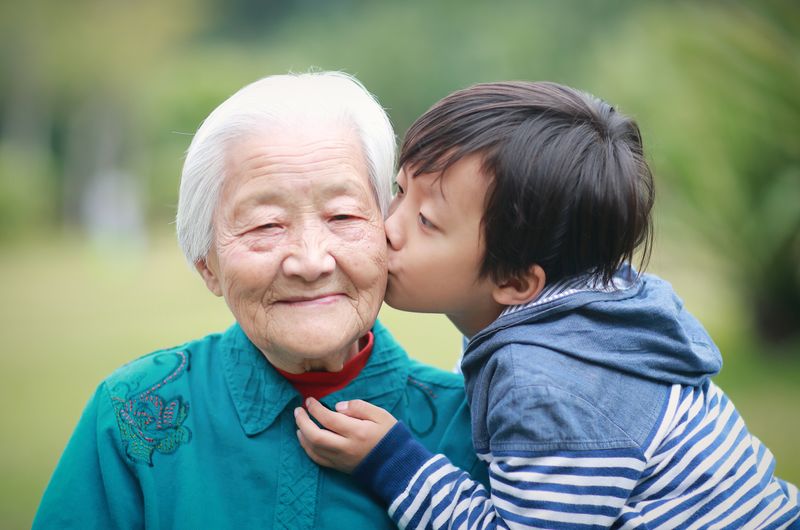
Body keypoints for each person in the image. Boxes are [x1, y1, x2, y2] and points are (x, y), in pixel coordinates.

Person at [295, 81, 800, 529]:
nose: (388, 226)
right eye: (399, 191)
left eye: (426, 220)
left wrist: (393, 463)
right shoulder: (591, 309)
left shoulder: (546, 384)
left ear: (516, 281)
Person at [32, 72, 488, 530]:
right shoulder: (133, 412)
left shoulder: (478, 426)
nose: (311, 262)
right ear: (206, 264)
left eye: (343, 215)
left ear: (388, 232)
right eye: (267, 225)